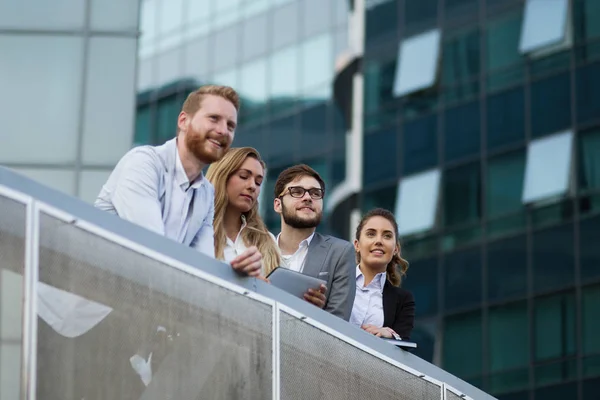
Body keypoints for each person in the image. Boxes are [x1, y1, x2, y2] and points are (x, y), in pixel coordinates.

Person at [95, 85, 261, 276]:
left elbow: (203, 268)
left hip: (136, 297)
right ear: (183, 121)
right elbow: (153, 250)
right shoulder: (143, 163)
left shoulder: (206, 193)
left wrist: (233, 269)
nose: (223, 131)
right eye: (214, 118)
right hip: (91, 298)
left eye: (230, 126)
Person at [272, 164, 356, 321]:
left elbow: (338, 324)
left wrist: (316, 314)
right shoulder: (257, 249)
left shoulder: (340, 252)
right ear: (278, 205)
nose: (308, 197)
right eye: (297, 192)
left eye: (315, 193)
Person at [205, 147, 281, 275]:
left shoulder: (267, 240)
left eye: (258, 182)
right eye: (244, 176)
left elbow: (281, 290)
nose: (252, 186)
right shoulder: (196, 229)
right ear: (222, 176)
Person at [350, 208, 415, 341]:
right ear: (357, 245)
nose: (379, 241)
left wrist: (390, 335)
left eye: (387, 236)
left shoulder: (403, 300)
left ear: (395, 249)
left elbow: (404, 344)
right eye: (371, 234)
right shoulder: (335, 281)